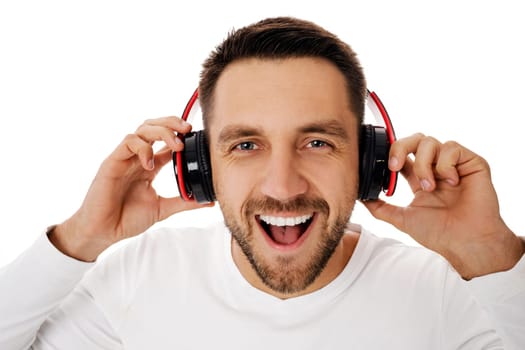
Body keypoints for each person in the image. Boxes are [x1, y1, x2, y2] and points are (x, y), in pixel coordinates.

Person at [0, 16, 524, 349]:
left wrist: (492, 255)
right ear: (199, 168)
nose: (284, 185)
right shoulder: (142, 276)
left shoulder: (445, 292)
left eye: (317, 142)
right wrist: (79, 240)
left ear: (370, 161)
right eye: (246, 145)